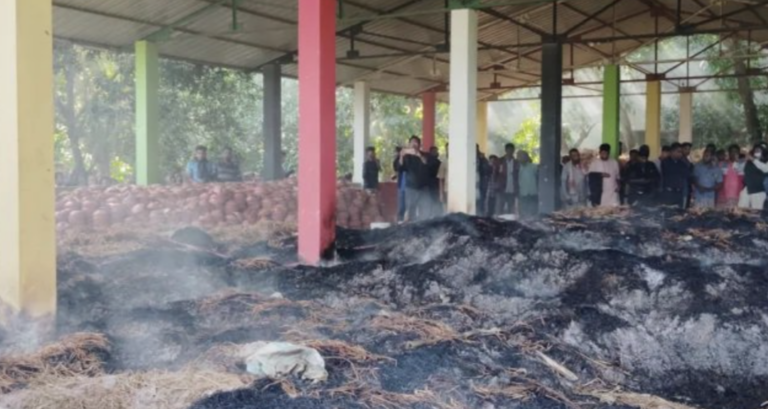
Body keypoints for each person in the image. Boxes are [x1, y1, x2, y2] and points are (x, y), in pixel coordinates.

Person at [400, 136, 432, 221]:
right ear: (409, 144)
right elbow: (400, 168)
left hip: (423, 188)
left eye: (416, 142)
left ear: (419, 144)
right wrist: (401, 155)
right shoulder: (406, 157)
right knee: (410, 211)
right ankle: (409, 229)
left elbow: (426, 162)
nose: (414, 144)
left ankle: (424, 229)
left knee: (425, 210)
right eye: (412, 142)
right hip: (411, 188)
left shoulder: (425, 155)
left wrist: (418, 154)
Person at [661, 143, 691, 209]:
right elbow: (670, 171)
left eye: (681, 152)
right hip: (669, 192)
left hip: (679, 193)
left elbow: (687, 174)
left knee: (679, 213)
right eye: (678, 152)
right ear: (672, 151)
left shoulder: (682, 163)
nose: (680, 154)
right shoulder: (666, 162)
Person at [740, 143, 768, 210]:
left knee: (757, 212)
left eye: (759, 150)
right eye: (755, 150)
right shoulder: (749, 161)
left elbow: (766, 169)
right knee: (742, 210)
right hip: (747, 189)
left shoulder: (765, 161)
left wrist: (753, 160)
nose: (756, 152)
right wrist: (742, 161)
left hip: (759, 191)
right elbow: (739, 169)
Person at [718, 144, 744, 209]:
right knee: (723, 217)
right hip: (723, 195)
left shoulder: (743, 163)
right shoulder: (722, 164)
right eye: (732, 151)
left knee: (736, 216)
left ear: (739, 153)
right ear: (729, 153)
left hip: (738, 195)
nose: (734, 153)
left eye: (736, 152)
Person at [498, 143, 518, 215]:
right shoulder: (500, 161)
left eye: (512, 150)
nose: (510, 152)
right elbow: (496, 174)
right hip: (502, 188)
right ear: (505, 150)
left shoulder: (516, 162)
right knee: (500, 208)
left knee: (511, 208)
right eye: (508, 150)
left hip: (512, 188)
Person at [517, 151, 538, 218]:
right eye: (519, 156)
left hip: (532, 192)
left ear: (527, 157)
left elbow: (538, 178)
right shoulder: (517, 168)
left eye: (523, 156)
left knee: (532, 212)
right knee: (523, 212)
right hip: (522, 192)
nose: (521, 158)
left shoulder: (533, 167)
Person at [393, 146, 407, 222]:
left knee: (408, 207)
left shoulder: (409, 159)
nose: (394, 154)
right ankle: (400, 222)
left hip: (409, 187)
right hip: (401, 187)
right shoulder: (396, 161)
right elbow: (397, 168)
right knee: (401, 207)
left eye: (395, 152)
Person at [437, 143, 449, 208]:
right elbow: (440, 179)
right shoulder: (444, 162)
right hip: (447, 189)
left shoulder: (460, 161)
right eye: (447, 149)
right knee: (447, 209)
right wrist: (441, 193)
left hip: (459, 189)